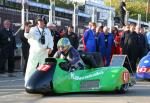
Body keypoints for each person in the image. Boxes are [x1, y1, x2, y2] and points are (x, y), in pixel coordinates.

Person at [24, 16, 54, 83]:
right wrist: (26, 29)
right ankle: (27, 82)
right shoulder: (33, 29)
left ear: (44, 22)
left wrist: (50, 48)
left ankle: (43, 82)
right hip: (34, 52)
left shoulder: (47, 30)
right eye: (39, 21)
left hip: (44, 52)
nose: (40, 22)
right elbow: (27, 36)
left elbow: (50, 40)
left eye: (42, 21)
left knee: (44, 68)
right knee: (31, 68)